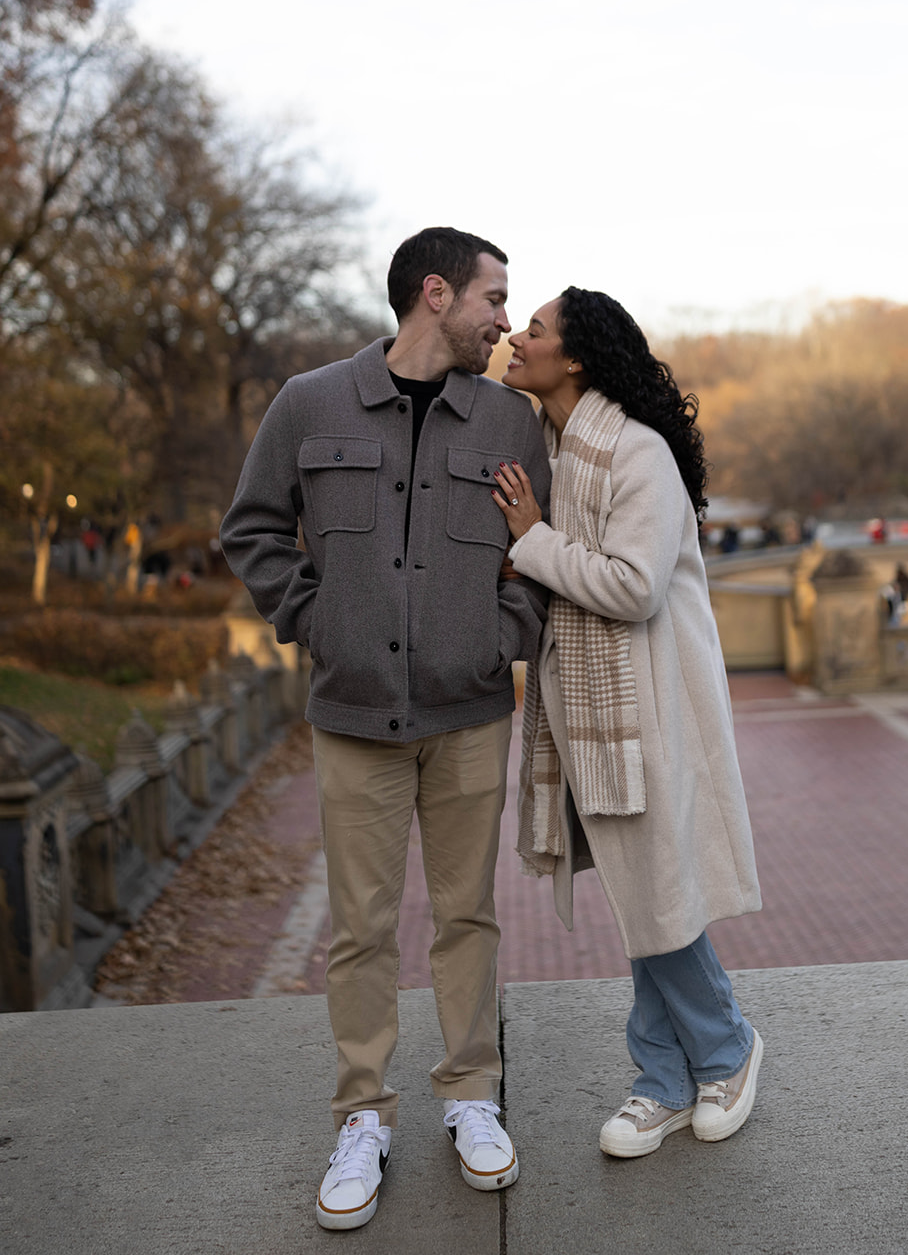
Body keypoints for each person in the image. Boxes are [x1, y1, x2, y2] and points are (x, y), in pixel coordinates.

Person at [220, 228, 552, 1230]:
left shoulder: (509, 420)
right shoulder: (308, 402)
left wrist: (502, 640)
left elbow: (538, 555)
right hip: (354, 717)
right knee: (359, 929)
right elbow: (251, 529)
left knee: (466, 916)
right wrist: (317, 622)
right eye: (495, 298)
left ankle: (469, 1096)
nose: (504, 319)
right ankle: (361, 1116)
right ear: (434, 293)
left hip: (468, 715)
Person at [491, 286, 763, 1160]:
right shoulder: (558, 447)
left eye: (533, 329)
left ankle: (720, 1049)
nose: (517, 338)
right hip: (590, 713)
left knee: (654, 888)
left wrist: (531, 539)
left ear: (573, 358)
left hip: (649, 706)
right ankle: (667, 1080)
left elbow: (632, 585)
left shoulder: (634, 452)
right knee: (639, 889)